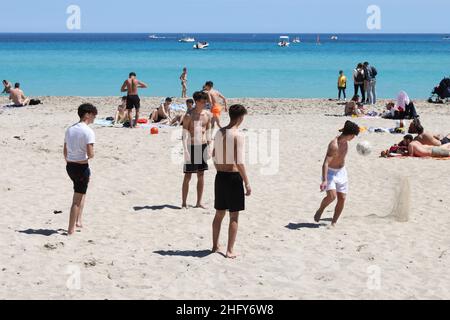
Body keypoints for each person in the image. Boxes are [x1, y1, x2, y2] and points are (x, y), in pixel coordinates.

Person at [211, 104, 251, 259]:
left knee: (219, 213)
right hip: (233, 177)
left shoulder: (219, 132)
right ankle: (229, 250)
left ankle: (215, 245)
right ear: (241, 118)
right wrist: (247, 182)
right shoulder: (237, 135)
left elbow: (213, 155)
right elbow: (239, 162)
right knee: (234, 216)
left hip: (220, 176)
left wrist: (218, 168)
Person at [314, 120, 360, 227]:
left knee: (342, 198)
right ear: (349, 135)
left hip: (341, 172)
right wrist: (324, 180)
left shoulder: (346, 142)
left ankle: (333, 222)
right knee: (331, 197)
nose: (354, 138)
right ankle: (321, 209)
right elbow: (325, 163)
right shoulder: (334, 145)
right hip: (330, 173)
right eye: (353, 135)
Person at [63, 103, 97, 235]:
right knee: (76, 199)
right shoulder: (88, 131)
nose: (94, 118)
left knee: (81, 193)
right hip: (81, 167)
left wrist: (72, 159)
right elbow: (90, 154)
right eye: (94, 115)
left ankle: (78, 221)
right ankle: (71, 229)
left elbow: (65, 152)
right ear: (87, 114)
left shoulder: (70, 129)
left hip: (70, 166)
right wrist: (87, 156)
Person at [181, 91, 212, 209]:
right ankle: (184, 203)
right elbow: (184, 134)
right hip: (191, 146)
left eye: (206, 102)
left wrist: (209, 148)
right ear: (197, 102)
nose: (205, 104)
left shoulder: (208, 115)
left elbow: (208, 133)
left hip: (203, 146)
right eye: (203, 102)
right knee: (188, 176)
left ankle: (199, 202)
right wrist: (186, 151)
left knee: (201, 175)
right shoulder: (189, 115)